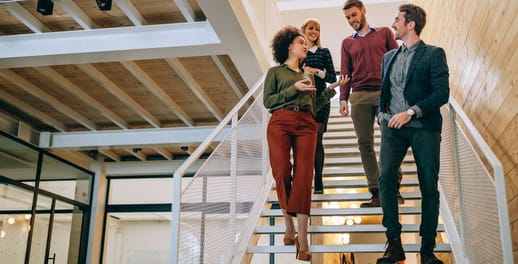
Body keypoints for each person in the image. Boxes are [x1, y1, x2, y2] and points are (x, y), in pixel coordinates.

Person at [263, 25, 348, 261]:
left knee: (304, 176)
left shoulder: (308, 74)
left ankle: (302, 236)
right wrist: (293, 88)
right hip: (280, 120)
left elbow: (315, 104)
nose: (305, 46)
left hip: (307, 123)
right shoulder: (275, 73)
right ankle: (288, 226)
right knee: (281, 171)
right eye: (301, 42)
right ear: (289, 46)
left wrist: (331, 90)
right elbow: (268, 101)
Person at [376, 4, 449, 264]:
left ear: (411, 25)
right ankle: (394, 244)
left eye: (397, 20)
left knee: (428, 185)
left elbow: (442, 93)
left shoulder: (433, 54)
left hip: (423, 127)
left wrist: (411, 112)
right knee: (385, 179)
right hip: (392, 129)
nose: (392, 24)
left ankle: (427, 250)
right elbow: (383, 93)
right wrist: (381, 116)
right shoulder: (388, 58)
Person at [339, 0, 403, 207]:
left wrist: (399, 91)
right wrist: (342, 98)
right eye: (348, 18)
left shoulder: (384, 33)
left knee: (391, 140)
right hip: (358, 95)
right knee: (364, 144)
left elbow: (398, 61)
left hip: (385, 93)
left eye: (354, 15)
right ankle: (376, 192)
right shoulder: (347, 43)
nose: (351, 20)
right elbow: (345, 73)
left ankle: (392, 189)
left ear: (363, 11)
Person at [300, 18, 338, 195]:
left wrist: (317, 72)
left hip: (321, 99)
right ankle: (305, 178)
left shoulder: (323, 52)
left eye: (317, 29)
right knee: (304, 142)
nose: (314, 32)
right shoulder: (300, 52)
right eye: (310, 28)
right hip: (302, 100)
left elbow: (331, 77)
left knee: (317, 140)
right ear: (304, 30)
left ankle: (319, 180)